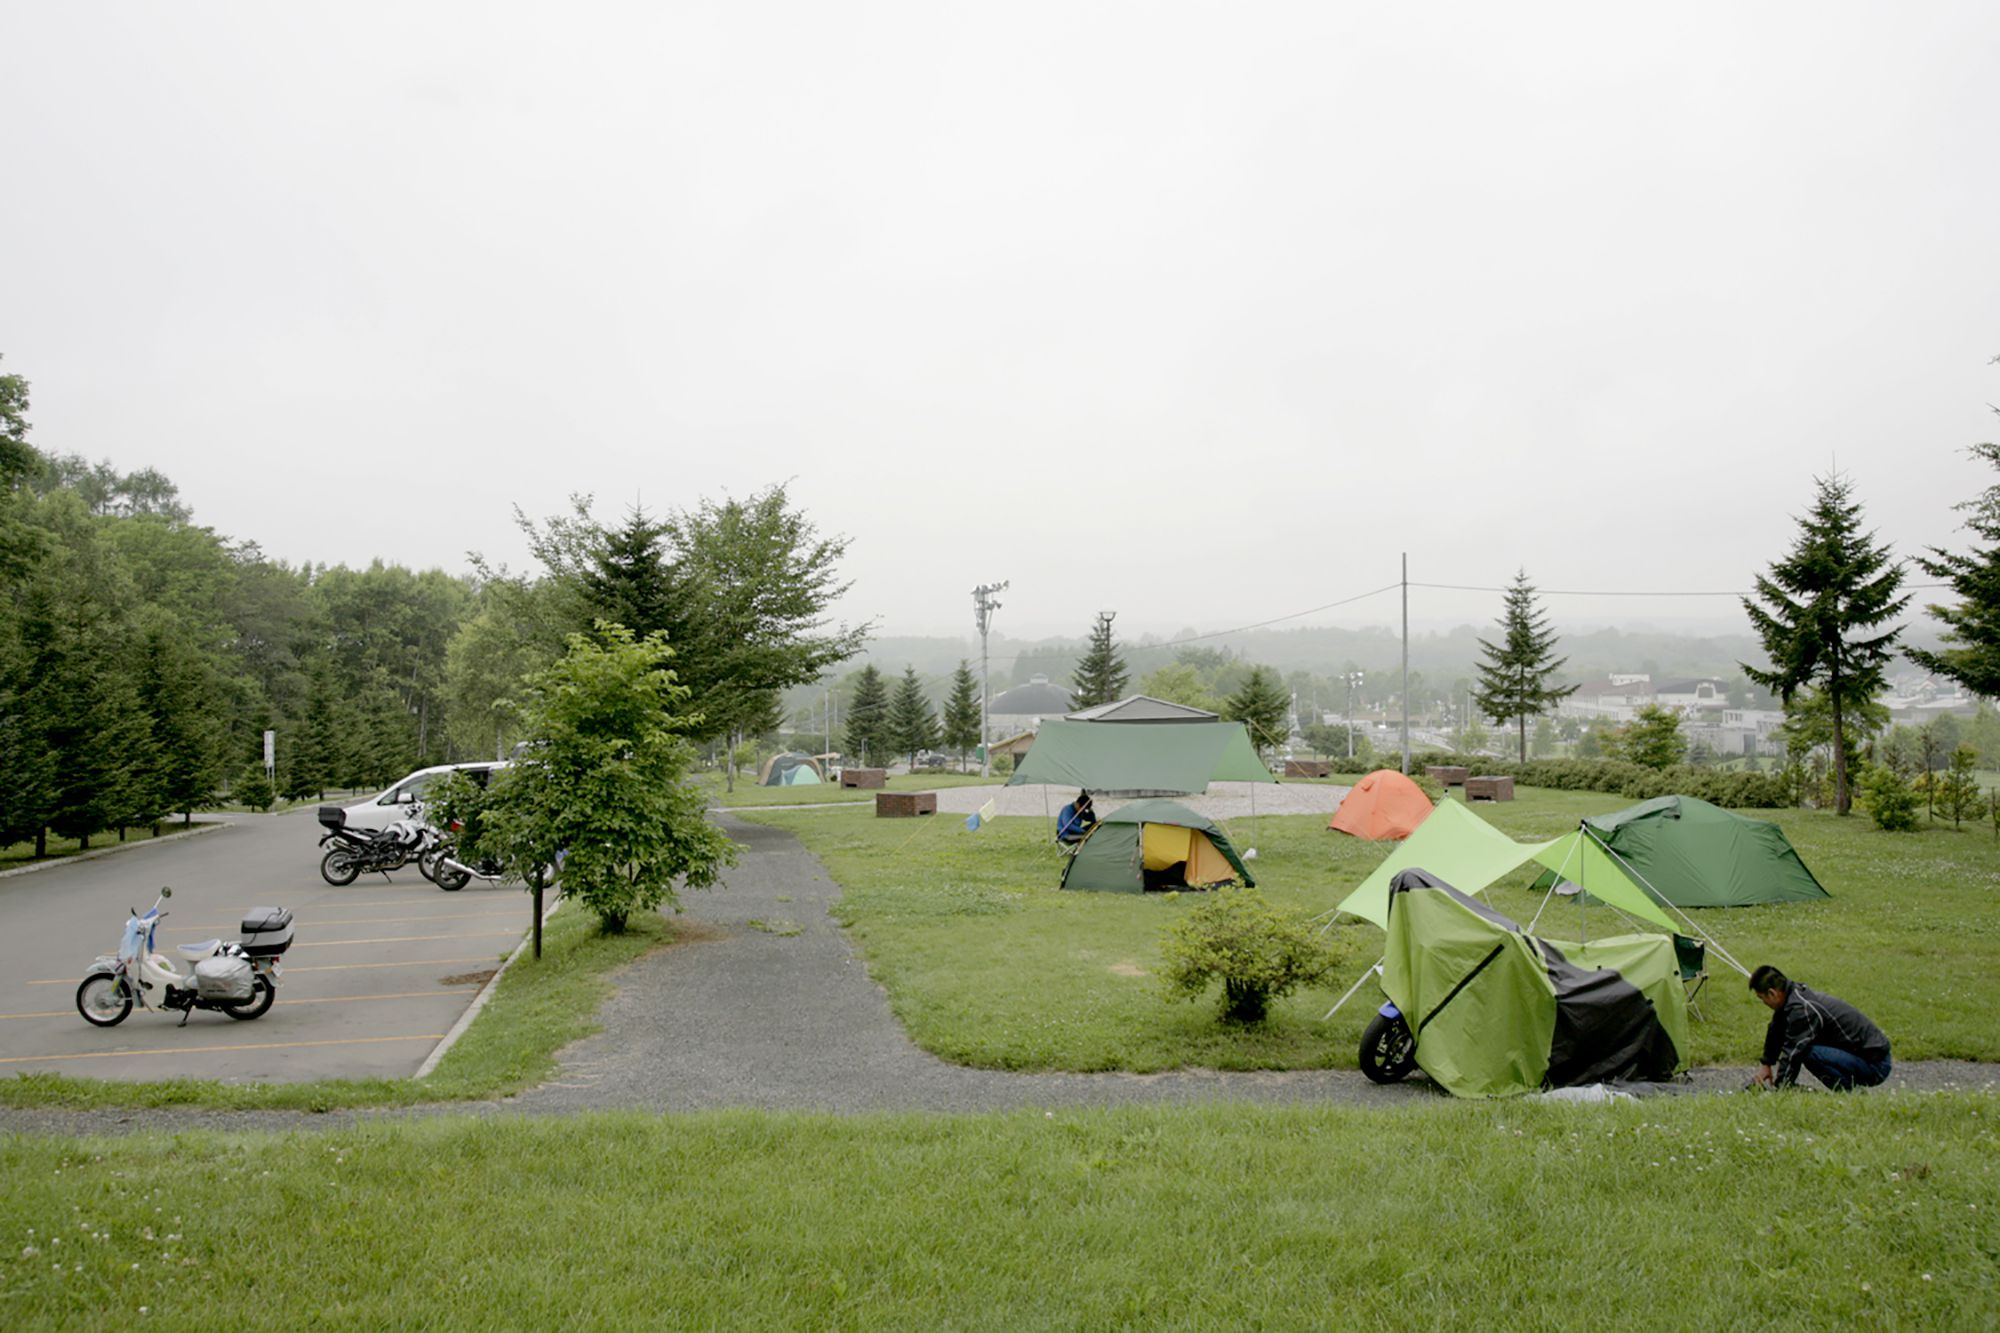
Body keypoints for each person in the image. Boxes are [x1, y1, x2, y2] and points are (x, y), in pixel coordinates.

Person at [1748, 965, 1892, 1091]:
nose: (1763, 1003)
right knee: (1807, 1050)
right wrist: (1766, 1064)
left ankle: (1849, 1094)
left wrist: (1781, 1088)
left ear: (1772, 993)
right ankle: (1849, 1092)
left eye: (1762, 998)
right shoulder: (1792, 998)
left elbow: (1793, 1051)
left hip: (1875, 1065)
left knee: (1808, 1052)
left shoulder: (1802, 1009)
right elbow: (1776, 1030)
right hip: (1861, 1056)